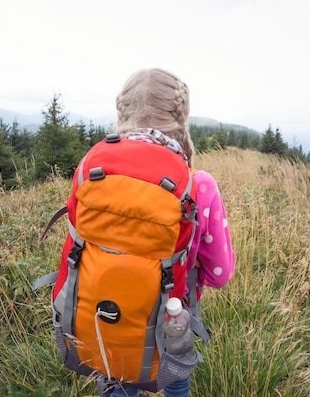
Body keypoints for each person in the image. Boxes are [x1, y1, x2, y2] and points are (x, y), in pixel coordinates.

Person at [108, 68, 236, 397]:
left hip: (107, 307)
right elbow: (220, 274)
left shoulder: (97, 173)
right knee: (176, 380)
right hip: (174, 312)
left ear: (121, 114)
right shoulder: (199, 185)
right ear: (185, 115)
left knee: (117, 379)